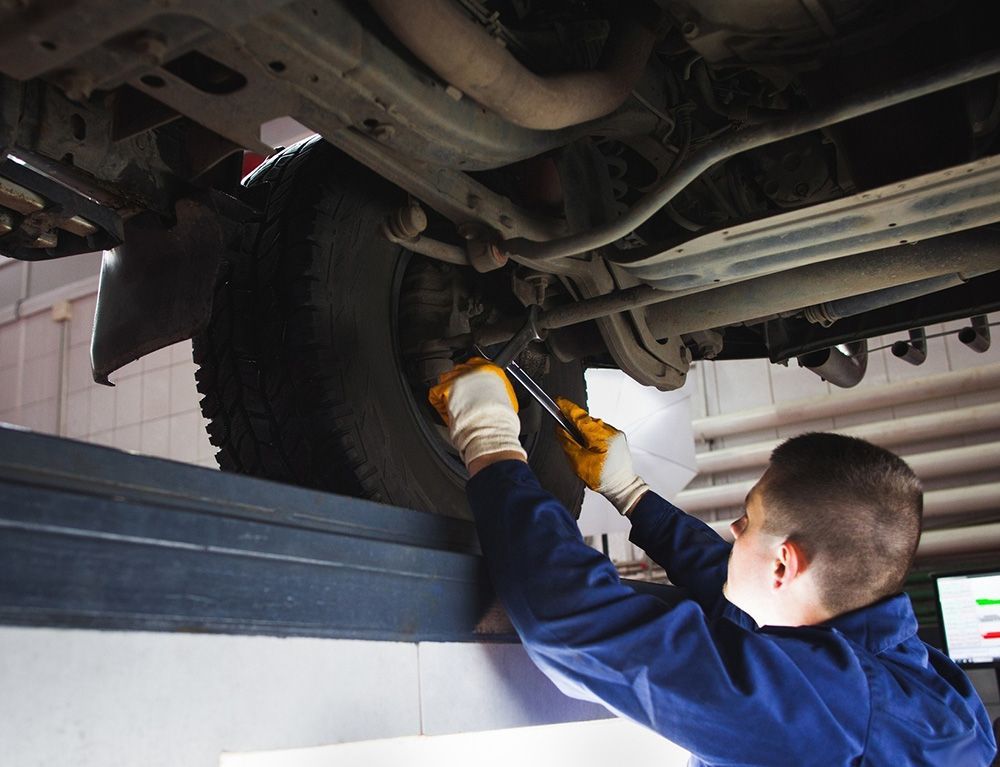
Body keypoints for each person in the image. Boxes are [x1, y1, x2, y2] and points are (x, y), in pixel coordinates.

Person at [428, 357, 998, 767]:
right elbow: (741, 604)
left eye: (746, 522)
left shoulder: (838, 715)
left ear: (783, 566)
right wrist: (631, 494)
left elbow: (572, 620)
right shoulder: (913, 682)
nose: (734, 531)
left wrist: (489, 437)